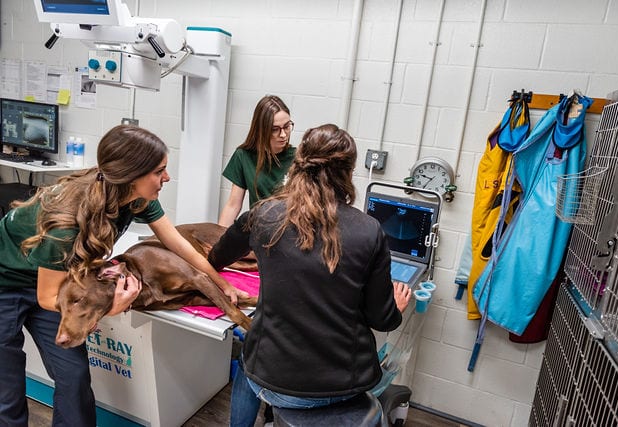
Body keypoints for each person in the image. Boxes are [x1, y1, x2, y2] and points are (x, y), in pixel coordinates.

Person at [0, 124, 247, 426]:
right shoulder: (65, 224)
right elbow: (47, 296)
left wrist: (220, 283)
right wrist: (111, 308)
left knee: (74, 377)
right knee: (7, 389)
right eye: (160, 171)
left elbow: (177, 243)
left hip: (57, 280)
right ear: (132, 175)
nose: (166, 177)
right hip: (9, 284)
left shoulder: (135, 197)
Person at [208, 124, 412, 427]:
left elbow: (217, 257)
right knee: (254, 355)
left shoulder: (263, 216)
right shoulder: (369, 232)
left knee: (250, 359)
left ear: (299, 162)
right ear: (348, 172)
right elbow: (381, 319)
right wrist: (396, 306)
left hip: (271, 380)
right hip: (342, 384)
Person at [218, 95, 296, 227]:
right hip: (259, 231)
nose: (283, 135)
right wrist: (218, 241)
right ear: (261, 130)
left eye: (287, 126)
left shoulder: (299, 159)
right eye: (275, 129)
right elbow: (233, 205)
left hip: (289, 233)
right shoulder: (243, 156)